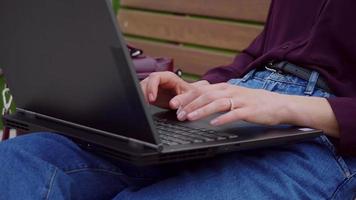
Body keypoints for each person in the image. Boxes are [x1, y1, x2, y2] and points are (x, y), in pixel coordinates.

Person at [1, 0, 356, 199]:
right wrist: (198, 89)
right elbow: (267, 52)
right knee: (18, 163)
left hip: (328, 136)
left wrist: (287, 106)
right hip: (240, 108)